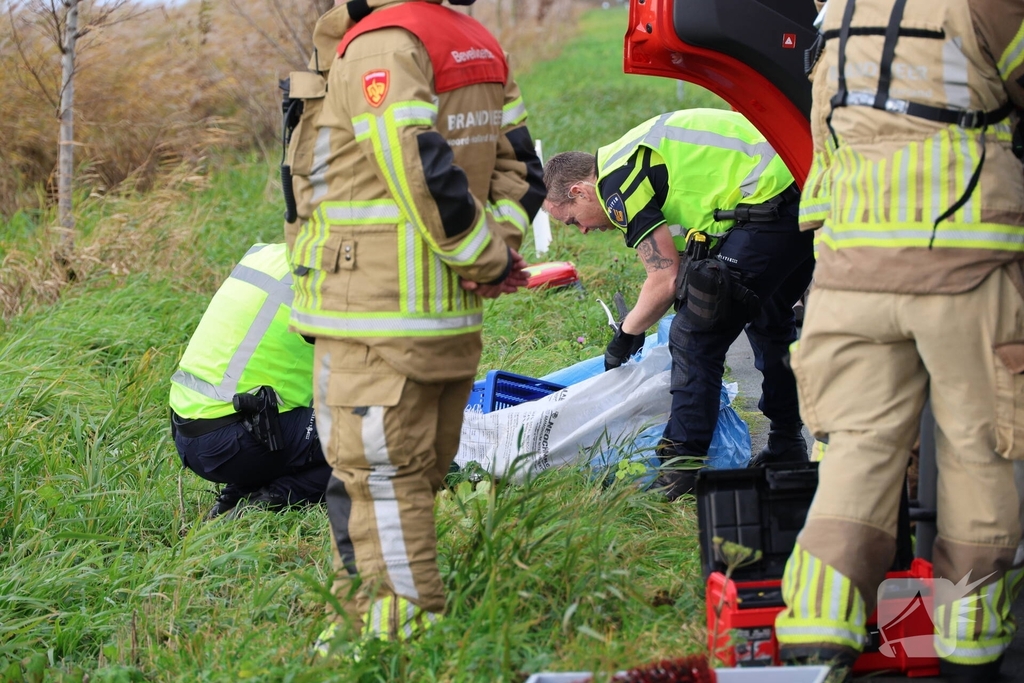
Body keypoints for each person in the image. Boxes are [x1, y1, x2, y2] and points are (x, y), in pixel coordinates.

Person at [774, 1, 1024, 680]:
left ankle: (817, 634)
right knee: (979, 449)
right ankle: (970, 649)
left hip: (850, 265)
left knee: (858, 450)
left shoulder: (839, 11)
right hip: (963, 261)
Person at [282, 0, 544, 648]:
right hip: (443, 319)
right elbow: (522, 170)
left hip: (377, 318)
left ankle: (407, 640)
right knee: (405, 480)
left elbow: (418, 168)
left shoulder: (382, 46)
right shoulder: (475, 41)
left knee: (380, 480)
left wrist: (482, 258)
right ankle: (356, 625)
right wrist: (498, 249)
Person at [542, 108, 815, 498]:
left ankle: (680, 470)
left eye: (573, 221)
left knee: (694, 334)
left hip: (771, 200)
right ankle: (787, 444)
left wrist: (626, 335)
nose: (583, 230)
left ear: (580, 192)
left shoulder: (616, 183)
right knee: (769, 319)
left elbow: (663, 279)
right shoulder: (629, 153)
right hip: (800, 187)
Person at [169, 243, 329, 519]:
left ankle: (238, 494)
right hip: (237, 440)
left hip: (186, 431)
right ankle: (270, 499)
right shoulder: (334, 278)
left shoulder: (266, 254)